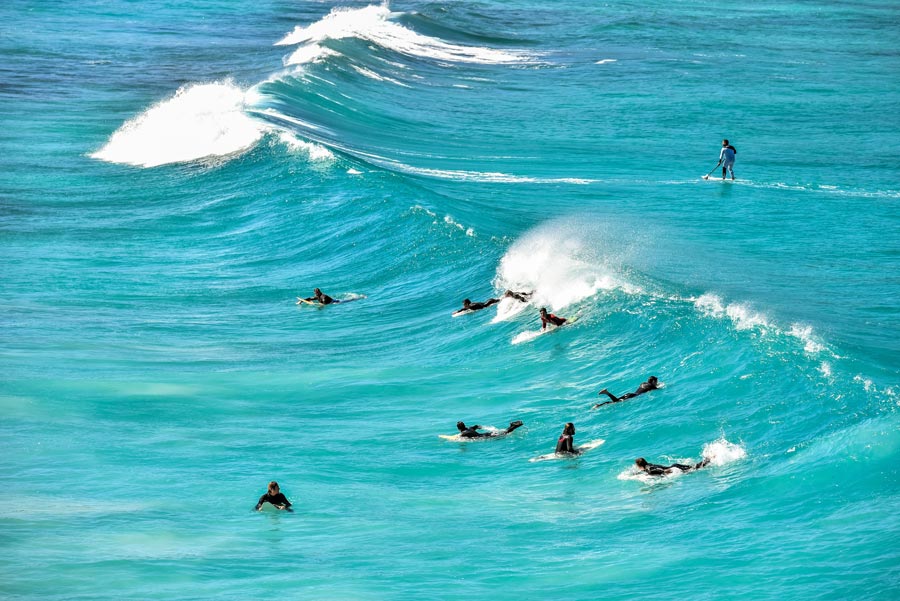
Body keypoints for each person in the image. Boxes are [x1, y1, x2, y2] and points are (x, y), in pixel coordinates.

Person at [593, 376, 659, 408]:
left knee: (616, 401)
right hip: (633, 396)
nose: (656, 383)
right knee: (616, 401)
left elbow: (646, 388)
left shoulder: (643, 383)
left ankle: (599, 405)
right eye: (656, 382)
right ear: (653, 381)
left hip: (630, 394)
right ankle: (607, 393)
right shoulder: (652, 386)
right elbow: (658, 388)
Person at [634, 456, 710, 476]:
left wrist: (668, 472)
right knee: (694, 467)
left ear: (639, 465)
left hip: (674, 469)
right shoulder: (648, 465)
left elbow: (659, 470)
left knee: (694, 469)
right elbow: (644, 470)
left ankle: (708, 460)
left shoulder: (649, 470)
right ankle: (708, 459)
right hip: (674, 466)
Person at [456, 420, 524, 438]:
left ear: (458, 428)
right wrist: (482, 427)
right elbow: (476, 426)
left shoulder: (464, 433)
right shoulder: (470, 428)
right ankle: (512, 426)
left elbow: (458, 437)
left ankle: (514, 426)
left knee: (505, 434)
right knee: (505, 432)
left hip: (488, 436)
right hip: (488, 434)